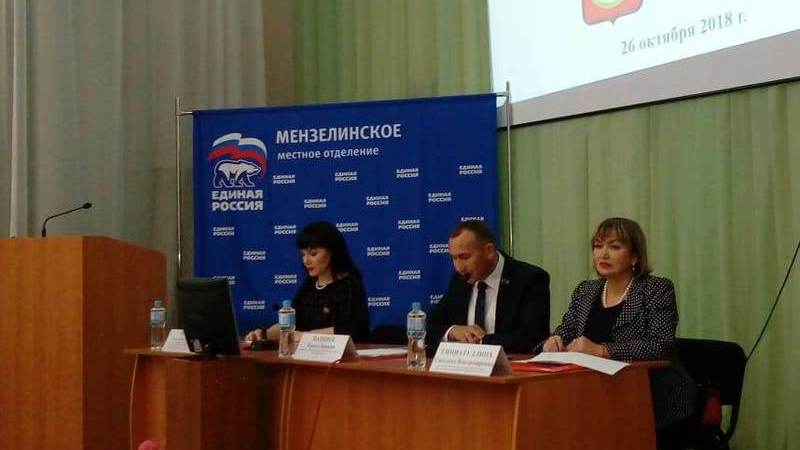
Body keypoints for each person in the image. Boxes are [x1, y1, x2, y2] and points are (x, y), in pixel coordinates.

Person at [539, 217, 695, 450]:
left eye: (614, 247)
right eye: (598, 246)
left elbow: (661, 345)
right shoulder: (585, 290)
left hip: (652, 400)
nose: (603, 254)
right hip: (592, 397)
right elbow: (566, 331)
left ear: (634, 256)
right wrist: (554, 341)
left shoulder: (656, 289)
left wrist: (602, 350)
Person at [427, 220, 550, 354]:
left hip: (512, 365)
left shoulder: (530, 279)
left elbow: (533, 337)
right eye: (454, 258)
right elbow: (428, 326)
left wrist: (478, 341)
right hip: (463, 365)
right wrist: (452, 331)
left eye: (464, 257)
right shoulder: (460, 280)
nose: (459, 267)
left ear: (489, 251)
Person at [245, 221, 370, 343]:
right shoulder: (308, 286)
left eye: (313, 254)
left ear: (332, 251)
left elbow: (347, 332)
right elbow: (291, 326)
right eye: (303, 255)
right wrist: (263, 334)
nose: (306, 260)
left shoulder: (349, 285)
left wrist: (304, 336)